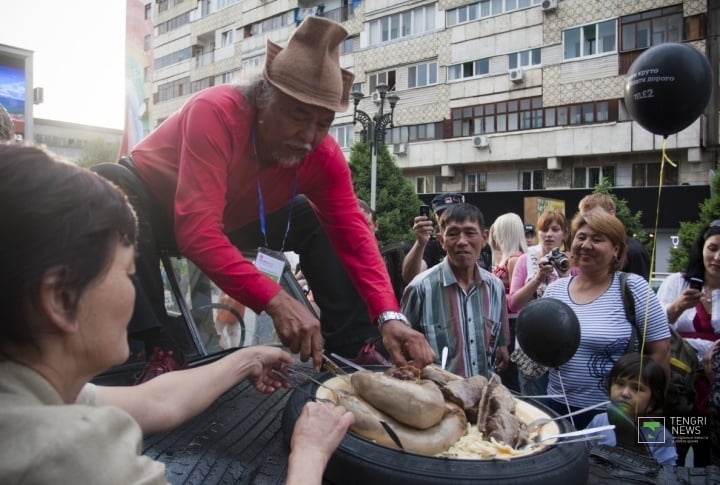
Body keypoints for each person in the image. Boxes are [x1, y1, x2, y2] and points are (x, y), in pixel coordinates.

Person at [93, 16, 434, 374]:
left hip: (233, 219)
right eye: (298, 115)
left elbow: (355, 236)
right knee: (108, 182)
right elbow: (196, 231)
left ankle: (352, 344)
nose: (307, 136)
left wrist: (389, 315)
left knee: (312, 218)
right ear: (262, 97)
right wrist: (275, 299)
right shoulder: (215, 112)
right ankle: (155, 347)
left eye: (323, 123)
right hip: (154, 208)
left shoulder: (324, 155)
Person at [0, 143, 353, 484]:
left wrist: (247, 359)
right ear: (61, 298)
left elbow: (156, 401)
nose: (136, 293)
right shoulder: (71, 453)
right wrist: (310, 453)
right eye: (127, 274)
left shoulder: (31, 395)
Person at [542, 210, 670, 429]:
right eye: (581, 237)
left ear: (616, 250)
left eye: (597, 239)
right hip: (556, 408)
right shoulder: (554, 291)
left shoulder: (633, 288)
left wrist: (650, 412)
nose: (586, 245)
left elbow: (660, 352)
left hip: (615, 414)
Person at [401, 203, 510, 378]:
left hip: (482, 394)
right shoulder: (420, 288)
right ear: (442, 241)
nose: (461, 241)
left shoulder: (495, 287)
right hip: (437, 398)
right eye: (452, 234)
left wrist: (502, 346)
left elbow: (499, 326)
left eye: (469, 232)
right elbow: (402, 347)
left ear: (484, 238)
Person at [656, 219, 720, 466]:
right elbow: (654, 328)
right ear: (702, 248)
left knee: (709, 460)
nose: (716, 257)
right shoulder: (676, 282)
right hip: (677, 388)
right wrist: (676, 307)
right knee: (671, 453)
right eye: (712, 248)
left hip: (713, 391)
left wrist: (716, 348)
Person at [508, 210, 571, 395]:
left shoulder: (572, 263)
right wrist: (537, 278)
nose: (549, 234)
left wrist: (564, 274)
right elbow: (513, 303)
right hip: (531, 347)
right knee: (534, 405)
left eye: (555, 229)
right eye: (544, 229)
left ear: (565, 234)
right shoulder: (524, 261)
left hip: (562, 345)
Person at [586, 353, 677, 466]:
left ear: (653, 400)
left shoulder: (660, 436)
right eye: (619, 383)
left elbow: (666, 476)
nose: (625, 393)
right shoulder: (599, 421)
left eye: (636, 388)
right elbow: (583, 455)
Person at [487, 212, 528, 391]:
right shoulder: (509, 258)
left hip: (511, 321)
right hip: (503, 320)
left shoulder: (514, 260)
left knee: (508, 374)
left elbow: (515, 299)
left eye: (496, 230)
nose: (493, 234)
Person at [578, 193, 651, 280]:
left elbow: (637, 290)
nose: (590, 222)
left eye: (596, 216)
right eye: (584, 217)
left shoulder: (634, 251)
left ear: (611, 214)